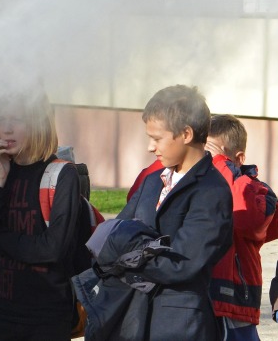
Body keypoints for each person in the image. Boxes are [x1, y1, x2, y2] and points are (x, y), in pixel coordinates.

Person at [115, 85, 233, 340]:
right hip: (135, 318)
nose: (150, 147)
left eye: (157, 138)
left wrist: (129, 259)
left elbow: (180, 264)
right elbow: (113, 235)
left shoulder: (211, 191)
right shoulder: (152, 181)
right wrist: (135, 251)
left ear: (186, 134)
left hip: (180, 326)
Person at [0, 91, 82, 341]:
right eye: (2, 119)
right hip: (0, 311)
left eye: (17, 120)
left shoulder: (62, 175)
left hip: (46, 315)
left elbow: (52, 249)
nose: (7, 129)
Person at [205, 114, 276, 340]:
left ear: (238, 159)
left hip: (235, 301)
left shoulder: (251, 190)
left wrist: (221, 167)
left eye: (213, 157)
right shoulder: (195, 183)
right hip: (200, 300)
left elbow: (248, 222)